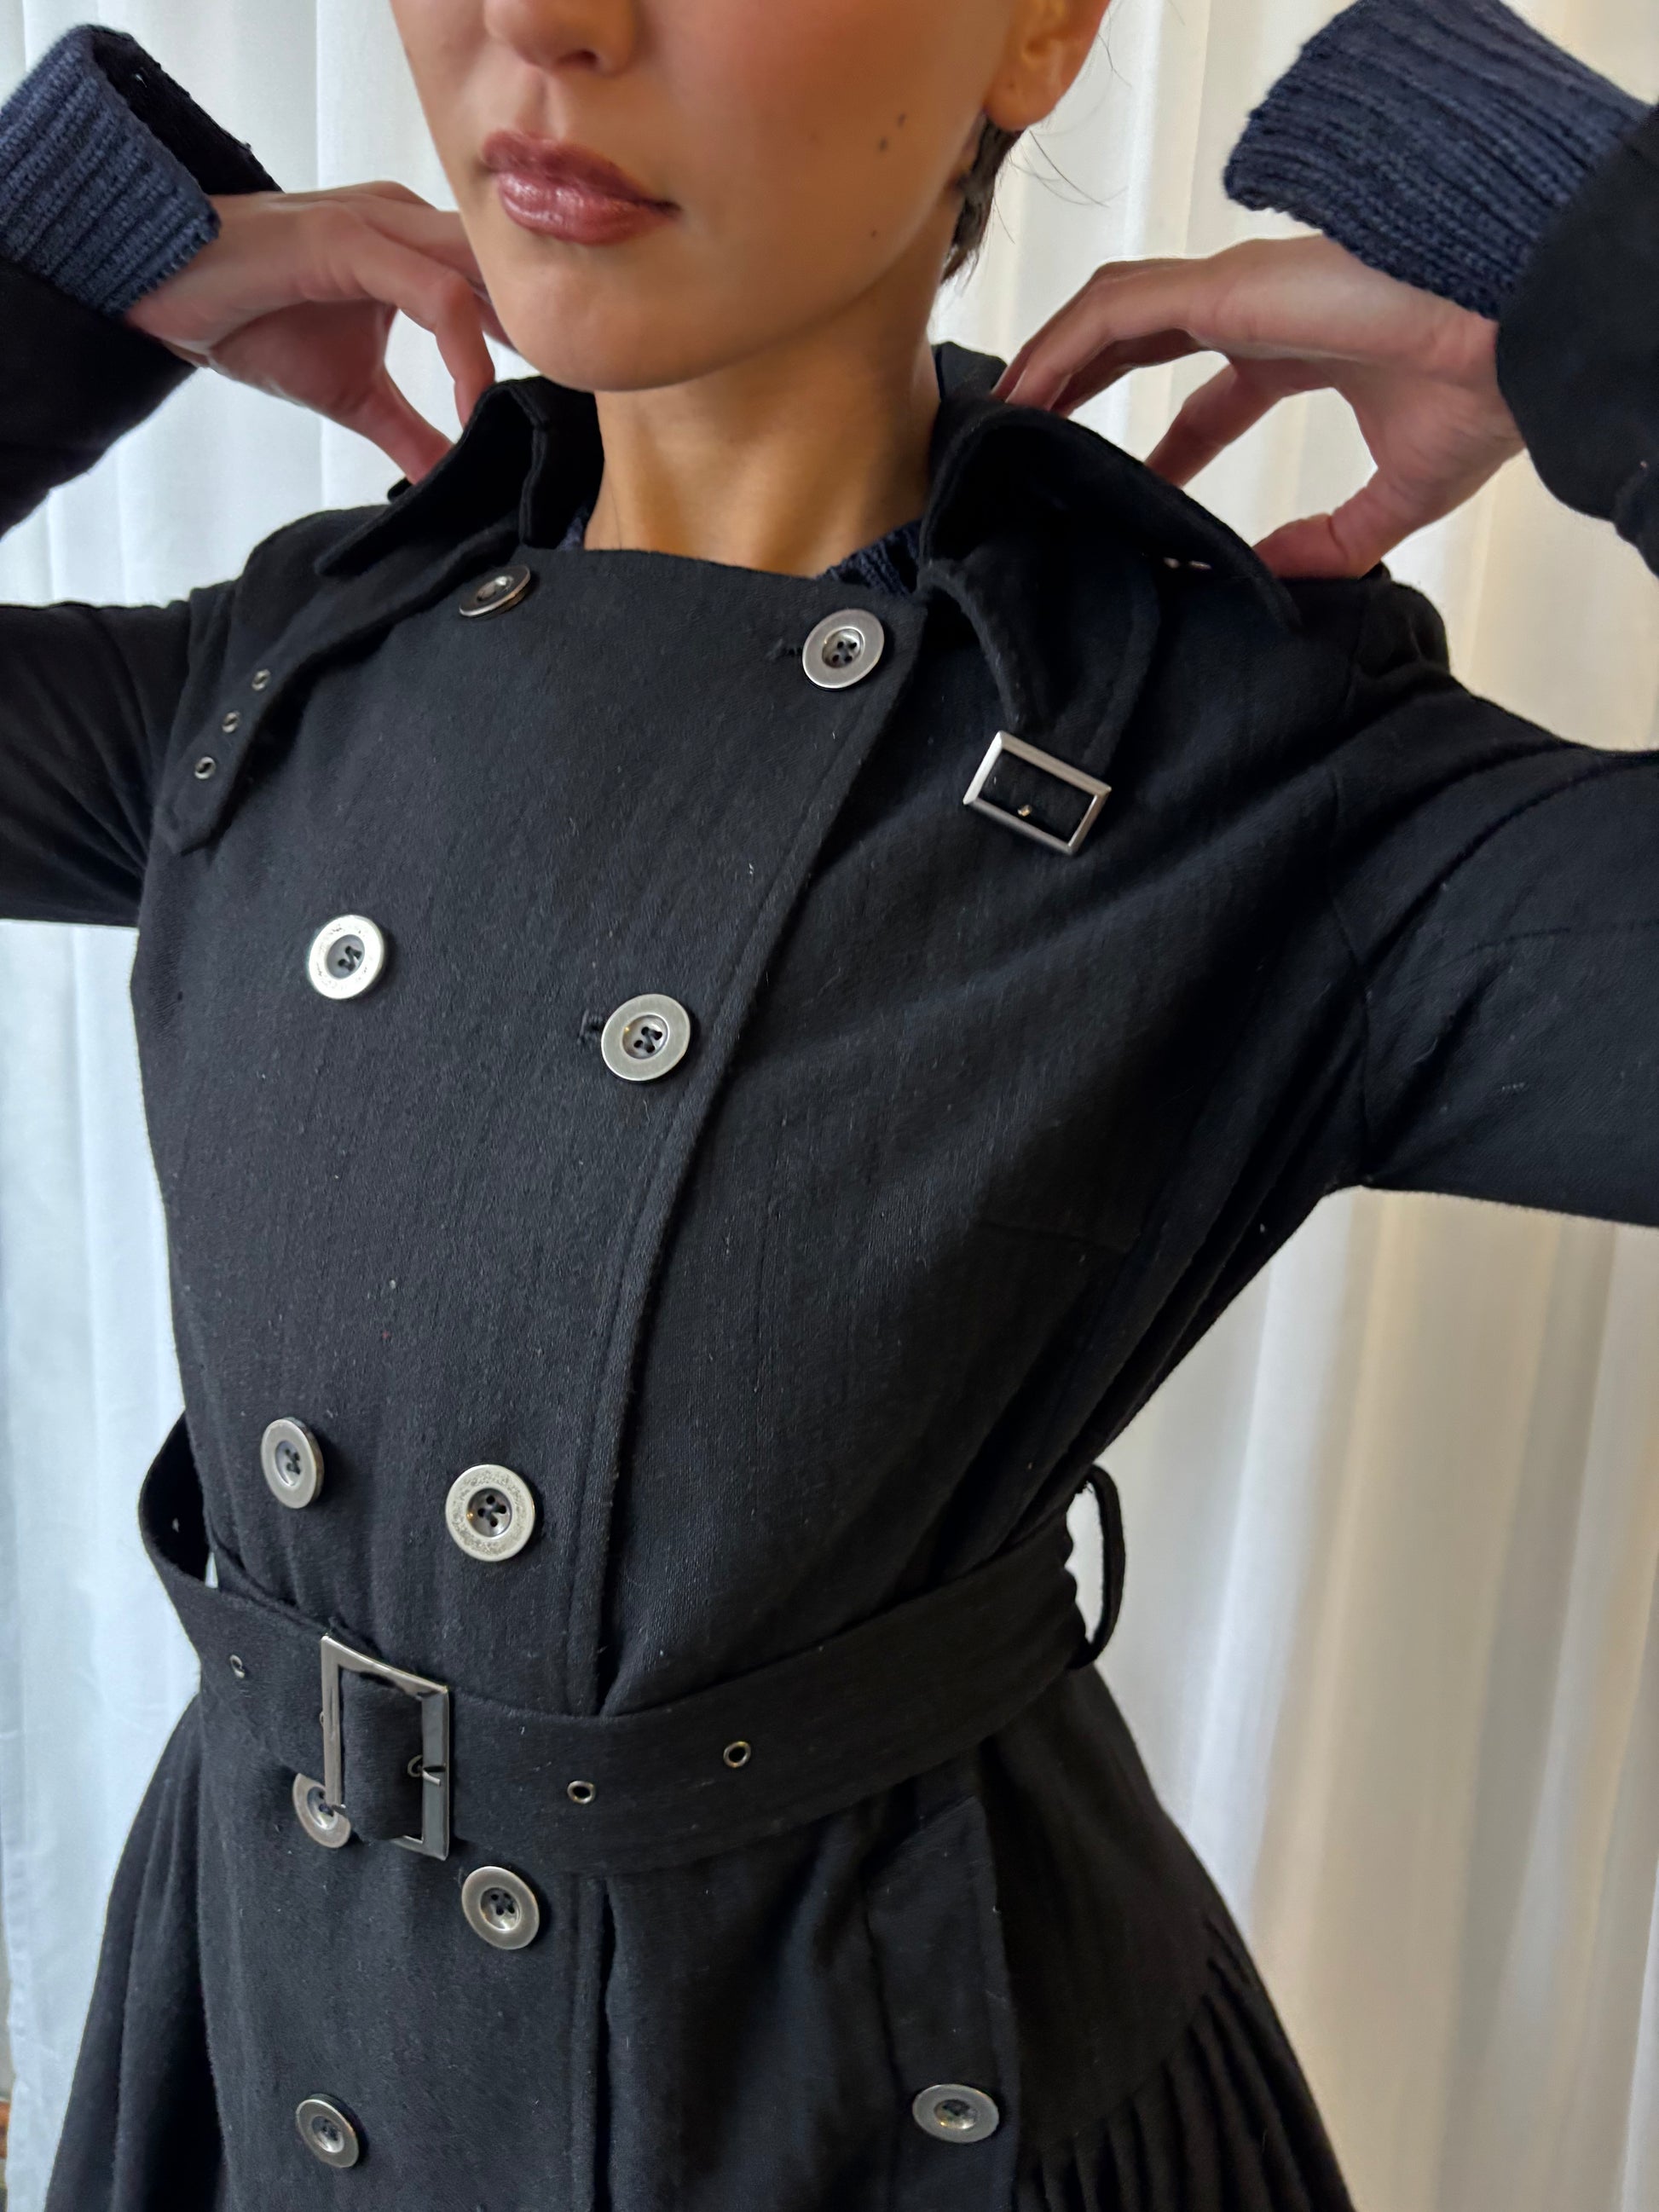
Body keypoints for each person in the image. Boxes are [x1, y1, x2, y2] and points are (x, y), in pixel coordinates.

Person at [0, 1, 1652, 2206]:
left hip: (881, 2110)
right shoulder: (292, 671)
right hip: (274, 2054)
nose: (541, 21)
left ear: (1036, 30)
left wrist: (1588, 265)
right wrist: (59, 270)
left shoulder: (1220, 748)